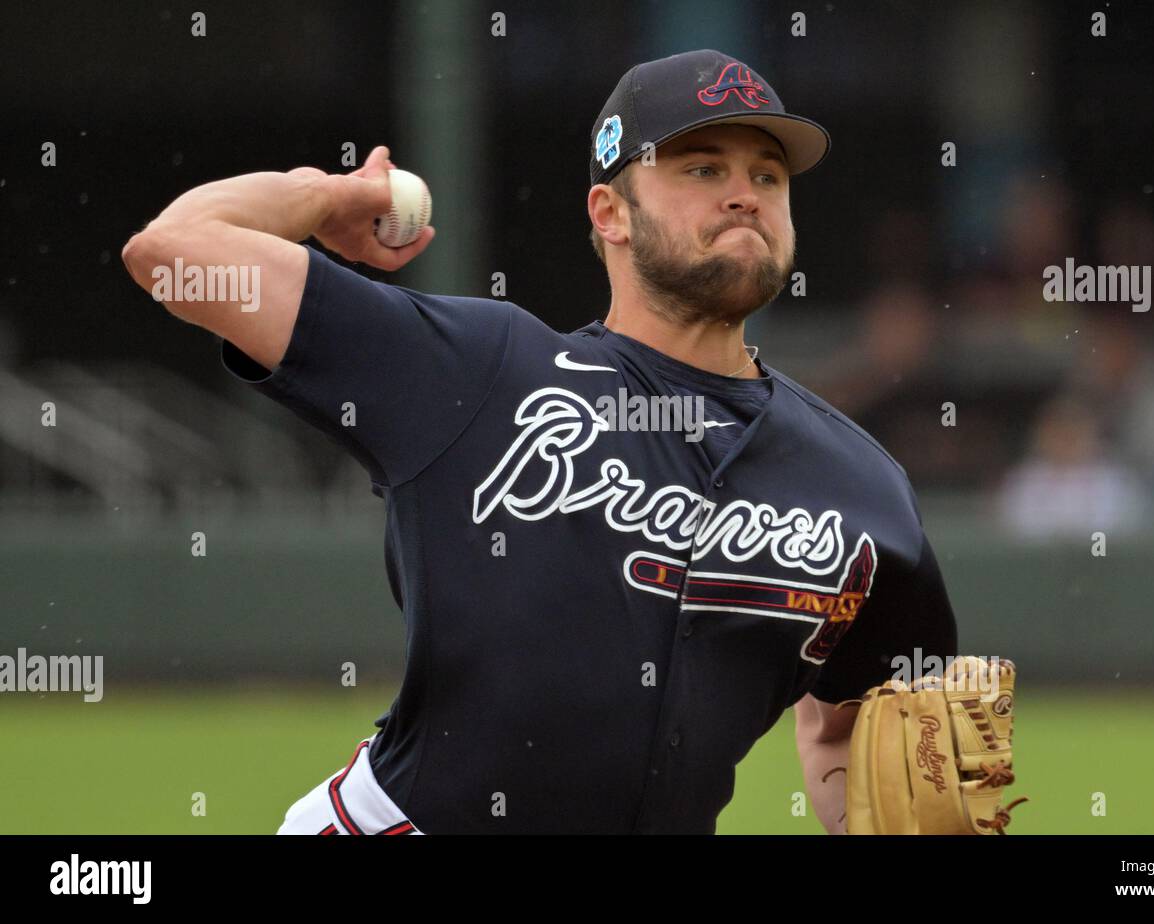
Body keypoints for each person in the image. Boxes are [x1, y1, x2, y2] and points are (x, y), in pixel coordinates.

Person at [121, 48, 957, 835]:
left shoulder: (860, 484)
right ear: (611, 212)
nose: (744, 194)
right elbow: (173, 252)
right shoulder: (481, 369)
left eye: (767, 176)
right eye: (703, 168)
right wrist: (323, 196)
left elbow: (847, 729)